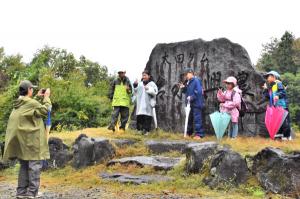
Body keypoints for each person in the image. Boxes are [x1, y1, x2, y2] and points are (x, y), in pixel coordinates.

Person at [2, 80, 51, 198]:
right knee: (35, 165)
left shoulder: (19, 103)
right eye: (32, 89)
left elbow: (32, 109)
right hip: (32, 140)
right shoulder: (31, 103)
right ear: (29, 90)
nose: (33, 90)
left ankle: (21, 192)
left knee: (24, 165)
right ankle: (31, 193)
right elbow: (45, 110)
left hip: (22, 141)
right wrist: (46, 98)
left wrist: (36, 97)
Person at [263, 71, 291, 140]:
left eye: (268, 77)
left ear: (273, 77)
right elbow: (267, 97)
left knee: (285, 123)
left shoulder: (278, 83)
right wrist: (266, 89)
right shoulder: (272, 87)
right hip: (276, 108)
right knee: (278, 123)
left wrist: (278, 96)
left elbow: (283, 92)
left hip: (283, 106)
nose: (267, 79)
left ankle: (287, 137)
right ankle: (279, 137)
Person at [179, 68, 205, 139]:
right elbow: (186, 92)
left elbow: (199, 91)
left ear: (191, 73)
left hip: (197, 103)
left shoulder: (196, 80)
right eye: (185, 75)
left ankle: (199, 134)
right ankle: (189, 133)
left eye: (187, 74)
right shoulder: (188, 82)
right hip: (189, 104)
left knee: (197, 119)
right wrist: (183, 88)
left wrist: (192, 97)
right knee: (189, 118)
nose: (186, 76)